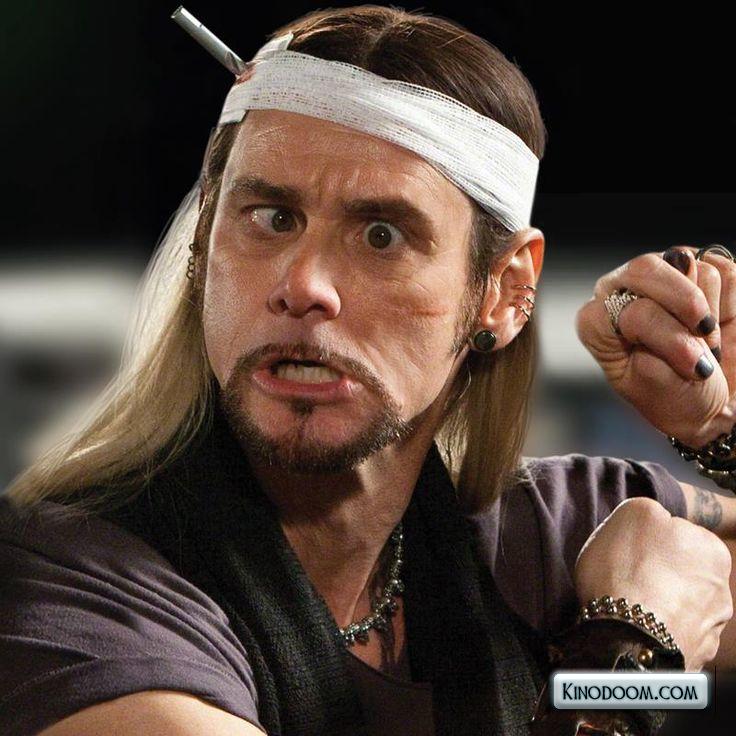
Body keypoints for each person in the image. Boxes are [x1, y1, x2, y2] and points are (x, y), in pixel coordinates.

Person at [0, 5, 733, 736]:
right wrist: (628, 664)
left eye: (382, 235)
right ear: (204, 244)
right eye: (272, 218)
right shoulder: (76, 591)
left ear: (506, 292)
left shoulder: (543, 535)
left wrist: (720, 428)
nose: (303, 285)